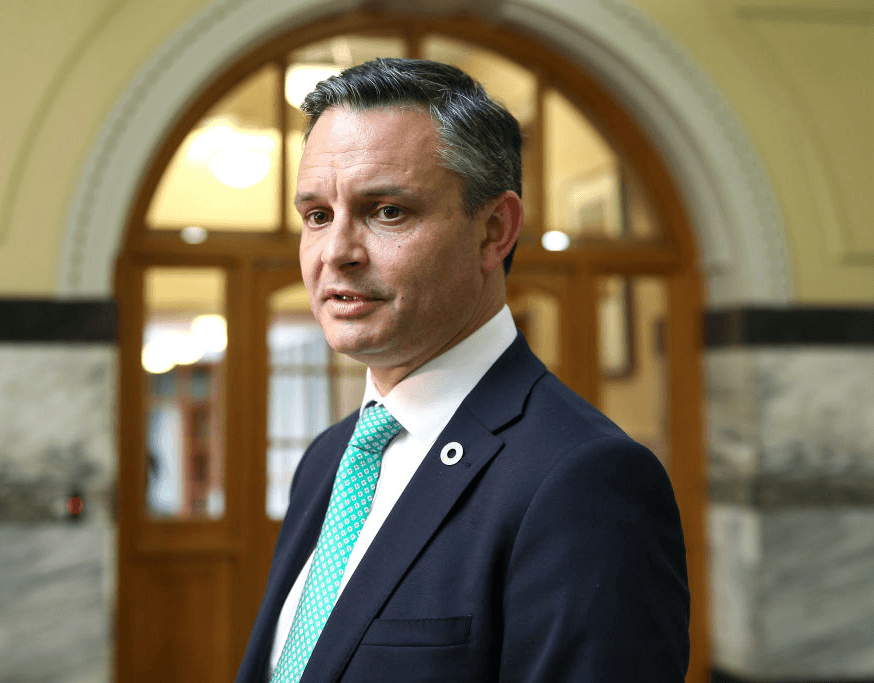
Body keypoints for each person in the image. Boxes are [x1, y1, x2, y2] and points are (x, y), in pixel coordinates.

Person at [236, 58, 689, 683]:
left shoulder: (584, 480)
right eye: (317, 215)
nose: (336, 252)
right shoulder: (327, 459)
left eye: (387, 210)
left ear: (494, 229)